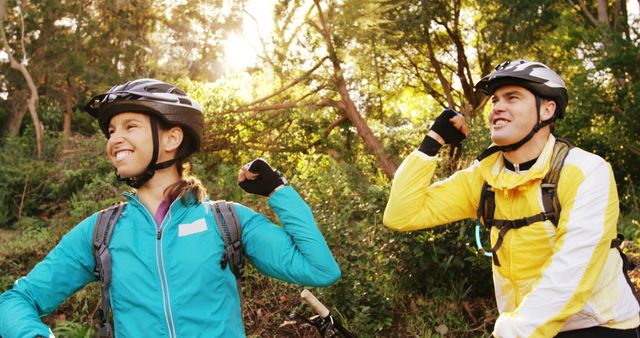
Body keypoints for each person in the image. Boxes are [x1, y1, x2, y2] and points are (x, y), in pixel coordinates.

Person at [0, 78, 341, 338]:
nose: (113, 140)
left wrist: (278, 191)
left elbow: (320, 269)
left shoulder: (228, 221)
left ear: (171, 138)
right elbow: (15, 302)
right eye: (111, 130)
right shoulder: (101, 232)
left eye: (130, 126)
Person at [383, 60, 639, 337]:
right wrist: (432, 142)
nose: (497, 108)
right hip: (522, 327)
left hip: (597, 326)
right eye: (495, 100)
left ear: (547, 109)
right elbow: (401, 215)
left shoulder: (586, 171)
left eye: (512, 97)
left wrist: (511, 331)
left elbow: (573, 271)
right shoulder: (484, 177)